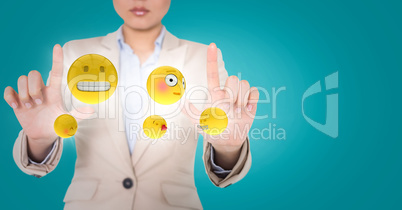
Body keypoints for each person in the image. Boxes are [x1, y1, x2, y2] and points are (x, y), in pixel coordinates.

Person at [3, 0, 259, 209]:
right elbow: (48, 133)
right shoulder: (76, 53)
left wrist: (228, 146)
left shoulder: (203, 57)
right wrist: (38, 140)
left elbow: (222, 135)